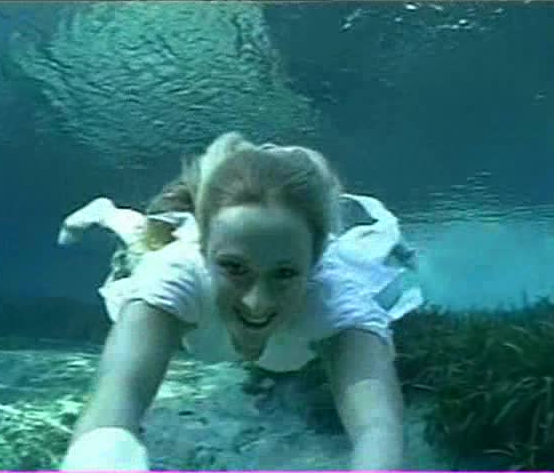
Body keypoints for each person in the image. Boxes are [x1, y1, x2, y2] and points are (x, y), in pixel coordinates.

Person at [57, 132, 424, 471]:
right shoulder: (175, 276)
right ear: (203, 249)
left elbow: (378, 429)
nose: (257, 303)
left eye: (284, 273)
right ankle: (104, 212)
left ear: (315, 263)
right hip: (179, 255)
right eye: (234, 268)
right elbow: (117, 396)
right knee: (141, 239)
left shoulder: (335, 298)